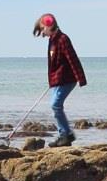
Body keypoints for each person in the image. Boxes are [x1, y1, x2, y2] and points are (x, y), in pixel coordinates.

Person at [33, 13, 86, 147]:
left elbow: (72, 58)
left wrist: (81, 78)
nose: (43, 33)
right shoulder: (52, 40)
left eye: (42, 28)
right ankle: (64, 136)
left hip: (67, 79)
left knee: (55, 105)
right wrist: (51, 80)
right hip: (57, 80)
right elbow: (53, 64)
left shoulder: (63, 39)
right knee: (55, 106)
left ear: (49, 24)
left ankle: (66, 134)